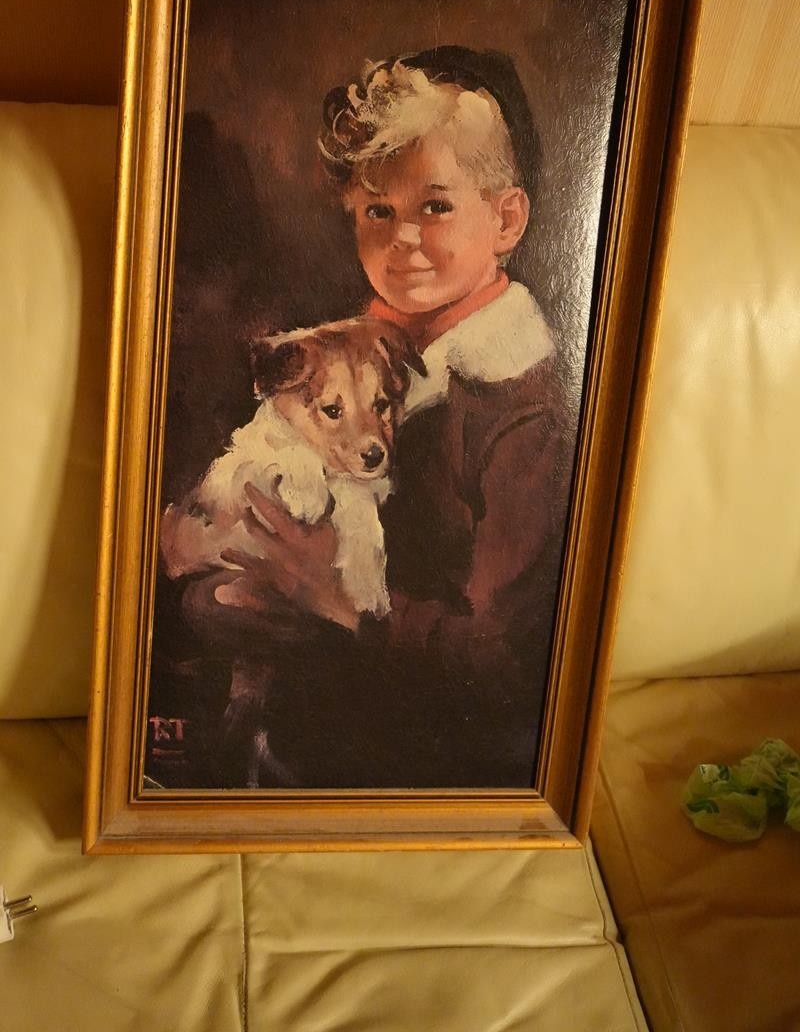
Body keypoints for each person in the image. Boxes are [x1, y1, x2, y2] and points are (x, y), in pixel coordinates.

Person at [172, 46, 572, 789]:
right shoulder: (338, 356)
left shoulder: (522, 413)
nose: (403, 240)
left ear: (507, 218)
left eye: (436, 206)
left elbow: (509, 666)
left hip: (412, 766)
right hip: (285, 733)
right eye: (378, 210)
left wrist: (340, 599)